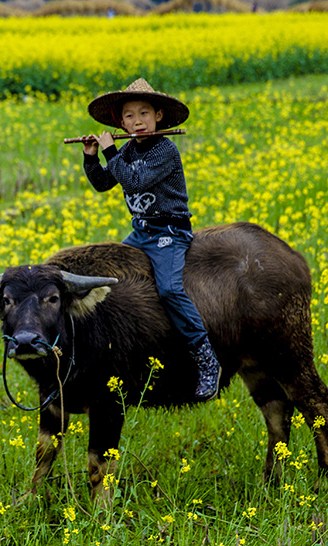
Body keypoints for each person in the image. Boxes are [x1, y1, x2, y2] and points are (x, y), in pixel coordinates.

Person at [79, 77, 221, 401]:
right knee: (114, 281)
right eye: (129, 116)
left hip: (168, 233)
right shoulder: (128, 149)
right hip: (141, 232)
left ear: (158, 116)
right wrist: (91, 157)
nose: (137, 121)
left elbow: (134, 181)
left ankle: (206, 358)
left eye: (144, 113)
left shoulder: (164, 150)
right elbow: (104, 182)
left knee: (169, 289)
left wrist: (110, 150)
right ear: (121, 122)